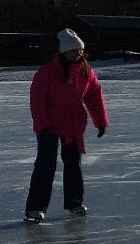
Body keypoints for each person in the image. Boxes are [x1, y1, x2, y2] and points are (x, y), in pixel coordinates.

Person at [25, 28, 109, 223]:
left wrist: (101, 121)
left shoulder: (85, 70)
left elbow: (94, 95)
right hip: (49, 124)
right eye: (73, 50)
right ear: (62, 51)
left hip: (73, 124)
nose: (77, 53)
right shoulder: (47, 72)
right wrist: (42, 124)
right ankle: (35, 208)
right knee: (46, 165)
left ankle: (74, 202)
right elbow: (36, 100)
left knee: (73, 164)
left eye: (79, 50)